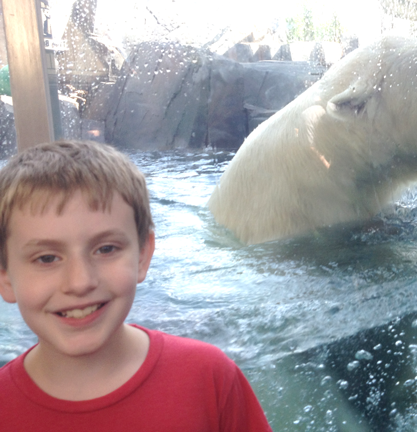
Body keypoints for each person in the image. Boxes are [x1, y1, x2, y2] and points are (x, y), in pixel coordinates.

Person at [0, 140, 272, 431]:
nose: (79, 282)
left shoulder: (210, 379)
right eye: (47, 258)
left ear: (143, 254)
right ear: (5, 276)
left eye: (105, 249)